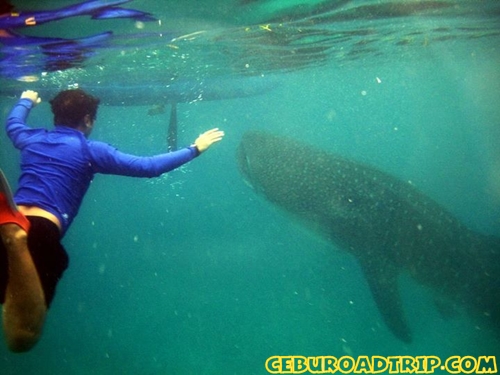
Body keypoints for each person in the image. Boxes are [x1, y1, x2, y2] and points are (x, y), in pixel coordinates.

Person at [0, 89, 224, 352]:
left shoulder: (30, 138)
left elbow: (13, 123)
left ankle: (11, 233)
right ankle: (14, 241)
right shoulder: (89, 150)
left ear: (56, 117)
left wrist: (27, 99)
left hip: (15, 215)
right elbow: (148, 167)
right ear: (88, 120)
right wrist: (194, 149)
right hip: (40, 233)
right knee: (23, 338)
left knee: (9, 295)